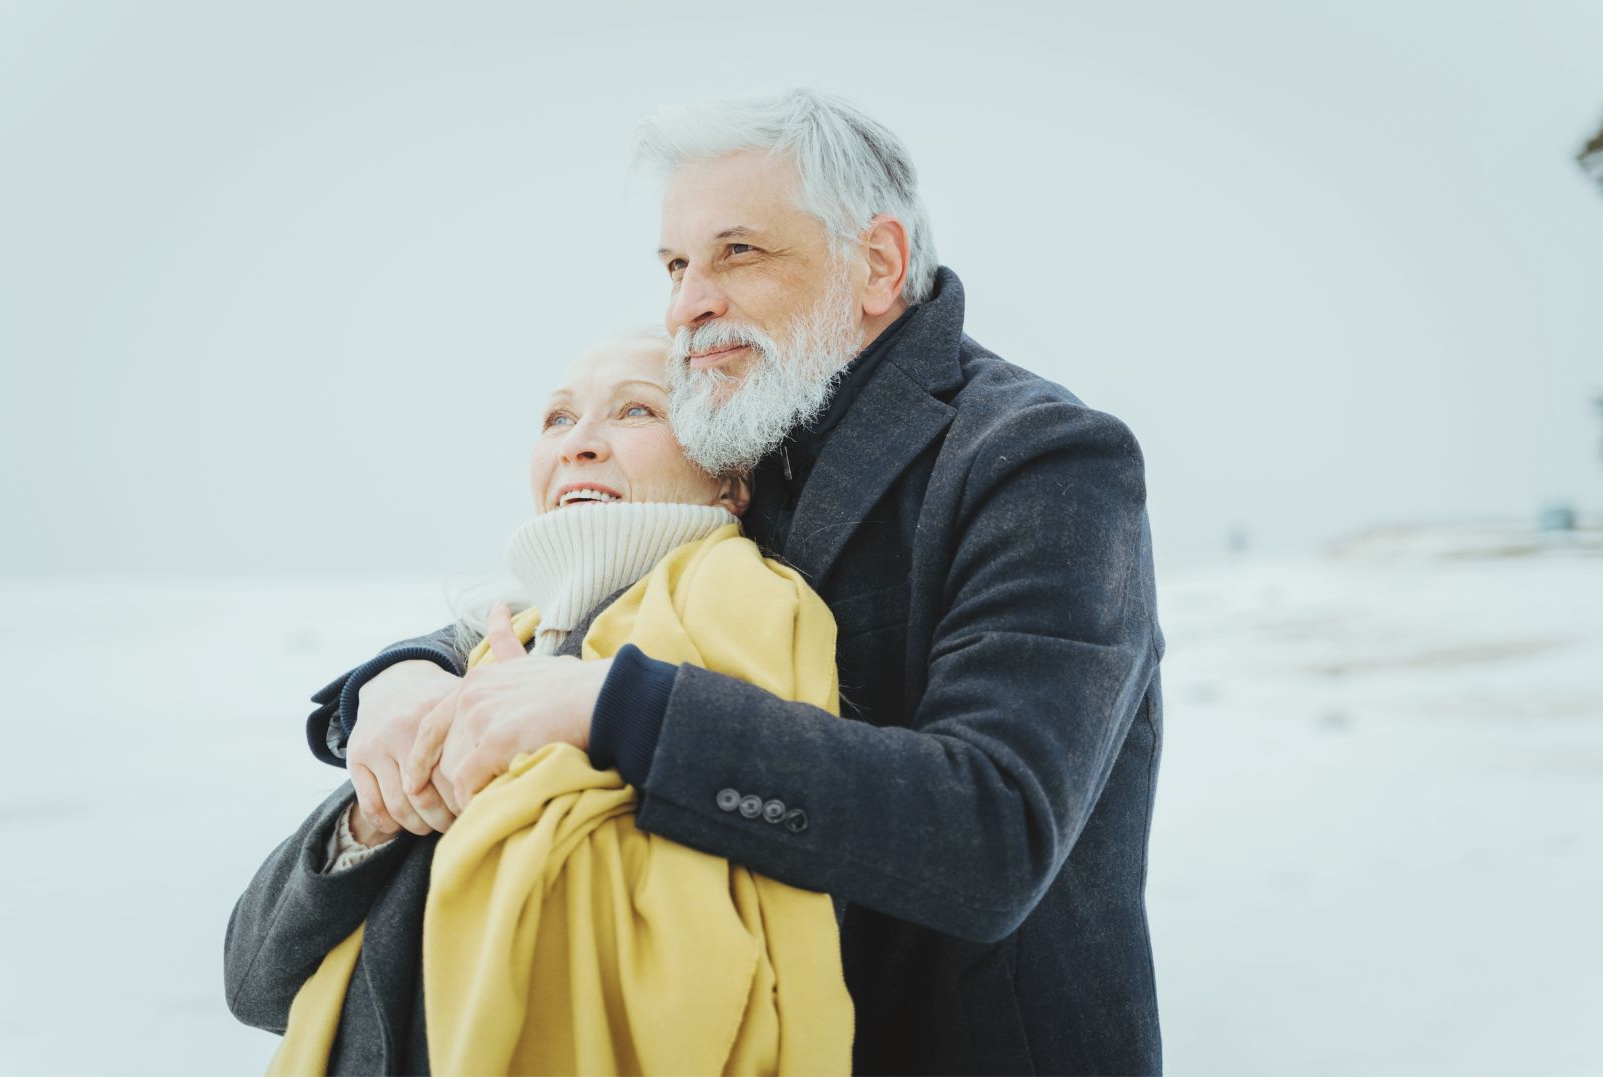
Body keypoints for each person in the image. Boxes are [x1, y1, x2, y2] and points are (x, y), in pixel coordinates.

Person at [313, 89, 1165, 1076]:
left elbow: (994, 831)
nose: (687, 307)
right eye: (676, 265)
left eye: (737, 254)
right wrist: (398, 679)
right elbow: (571, 596)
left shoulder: (1039, 459)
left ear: (878, 263)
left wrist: (614, 708)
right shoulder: (734, 437)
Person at [226, 332, 853, 1074]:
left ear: (730, 479)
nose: (578, 443)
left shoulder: (743, 607)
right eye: (557, 418)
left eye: (634, 411)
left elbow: (725, 939)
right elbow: (255, 981)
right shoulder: (493, 651)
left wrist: (535, 769)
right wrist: (376, 811)